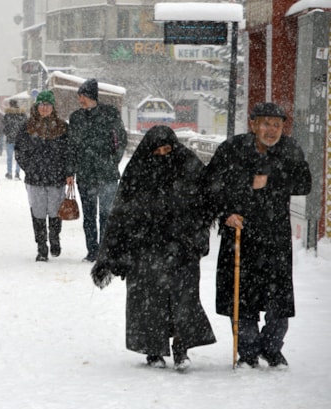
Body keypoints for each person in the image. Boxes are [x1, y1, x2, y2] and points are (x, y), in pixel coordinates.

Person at [91, 125, 216, 370]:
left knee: (184, 298)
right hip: (144, 246)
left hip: (182, 246)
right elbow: (120, 214)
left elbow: (208, 198)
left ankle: (181, 349)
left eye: (167, 149)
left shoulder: (189, 165)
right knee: (148, 300)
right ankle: (153, 350)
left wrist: (196, 233)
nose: (162, 155)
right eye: (156, 151)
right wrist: (111, 254)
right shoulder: (137, 171)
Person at [202, 102, 311, 368]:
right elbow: (208, 187)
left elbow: (304, 184)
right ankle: (248, 352)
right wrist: (226, 213)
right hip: (240, 237)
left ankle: (272, 348)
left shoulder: (289, 150)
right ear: (253, 125)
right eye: (266, 123)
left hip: (275, 238)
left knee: (278, 300)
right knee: (242, 298)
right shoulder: (232, 149)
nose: (272, 130)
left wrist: (271, 178)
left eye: (277, 124)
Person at [69, 78, 127, 262]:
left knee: (106, 214)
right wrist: (70, 170)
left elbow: (121, 139)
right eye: (79, 96)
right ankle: (92, 251)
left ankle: (105, 251)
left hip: (107, 174)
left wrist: (112, 161)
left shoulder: (110, 114)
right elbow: (71, 146)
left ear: (92, 96)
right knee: (89, 215)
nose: (80, 100)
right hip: (85, 174)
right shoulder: (76, 117)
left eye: (83, 96)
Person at [15, 90, 74, 262]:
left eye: (48, 105)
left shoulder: (63, 127)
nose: (45, 108)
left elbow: (70, 152)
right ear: (37, 106)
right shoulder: (27, 127)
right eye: (42, 104)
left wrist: (69, 172)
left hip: (57, 177)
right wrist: (29, 168)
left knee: (55, 211)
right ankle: (41, 246)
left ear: (53, 107)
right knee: (38, 212)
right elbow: (19, 151)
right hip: (35, 178)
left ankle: (55, 238)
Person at [3, 99, 26, 180]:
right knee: (18, 157)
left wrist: (7, 133)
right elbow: (25, 126)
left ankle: (9, 173)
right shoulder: (22, 114)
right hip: (20, 140)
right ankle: (17, 173)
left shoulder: (7, 114)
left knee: (9, 157)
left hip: (10, 139)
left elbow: (4, 127)